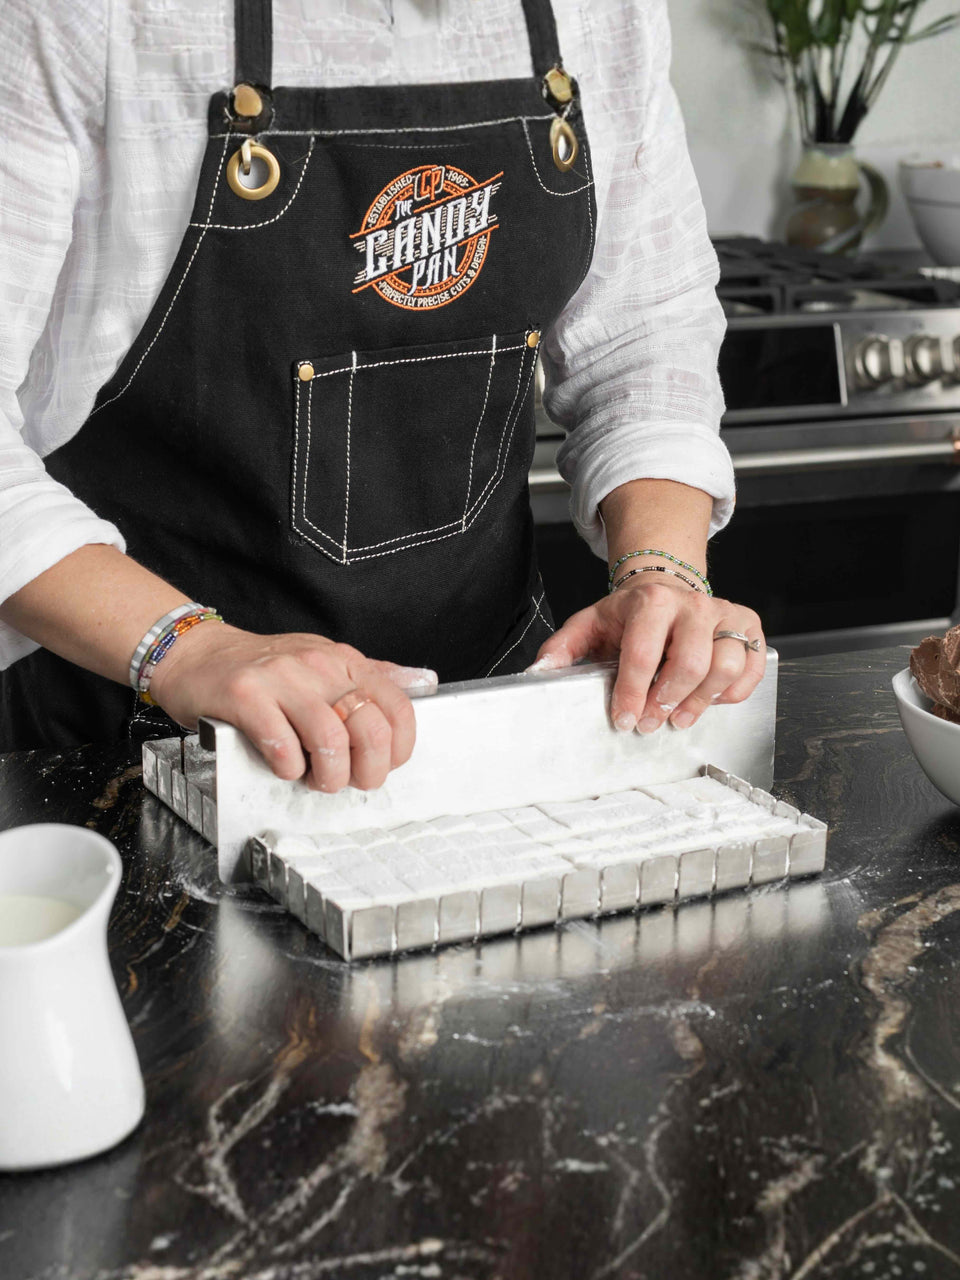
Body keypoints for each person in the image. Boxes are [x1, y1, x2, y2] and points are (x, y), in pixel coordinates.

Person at [0, 0, 764, 792]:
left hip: (486, 719)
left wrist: (661, 573)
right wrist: (189, 648)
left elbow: (644, 335)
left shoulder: (604, 15)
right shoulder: (84, 16)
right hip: (137, 733)